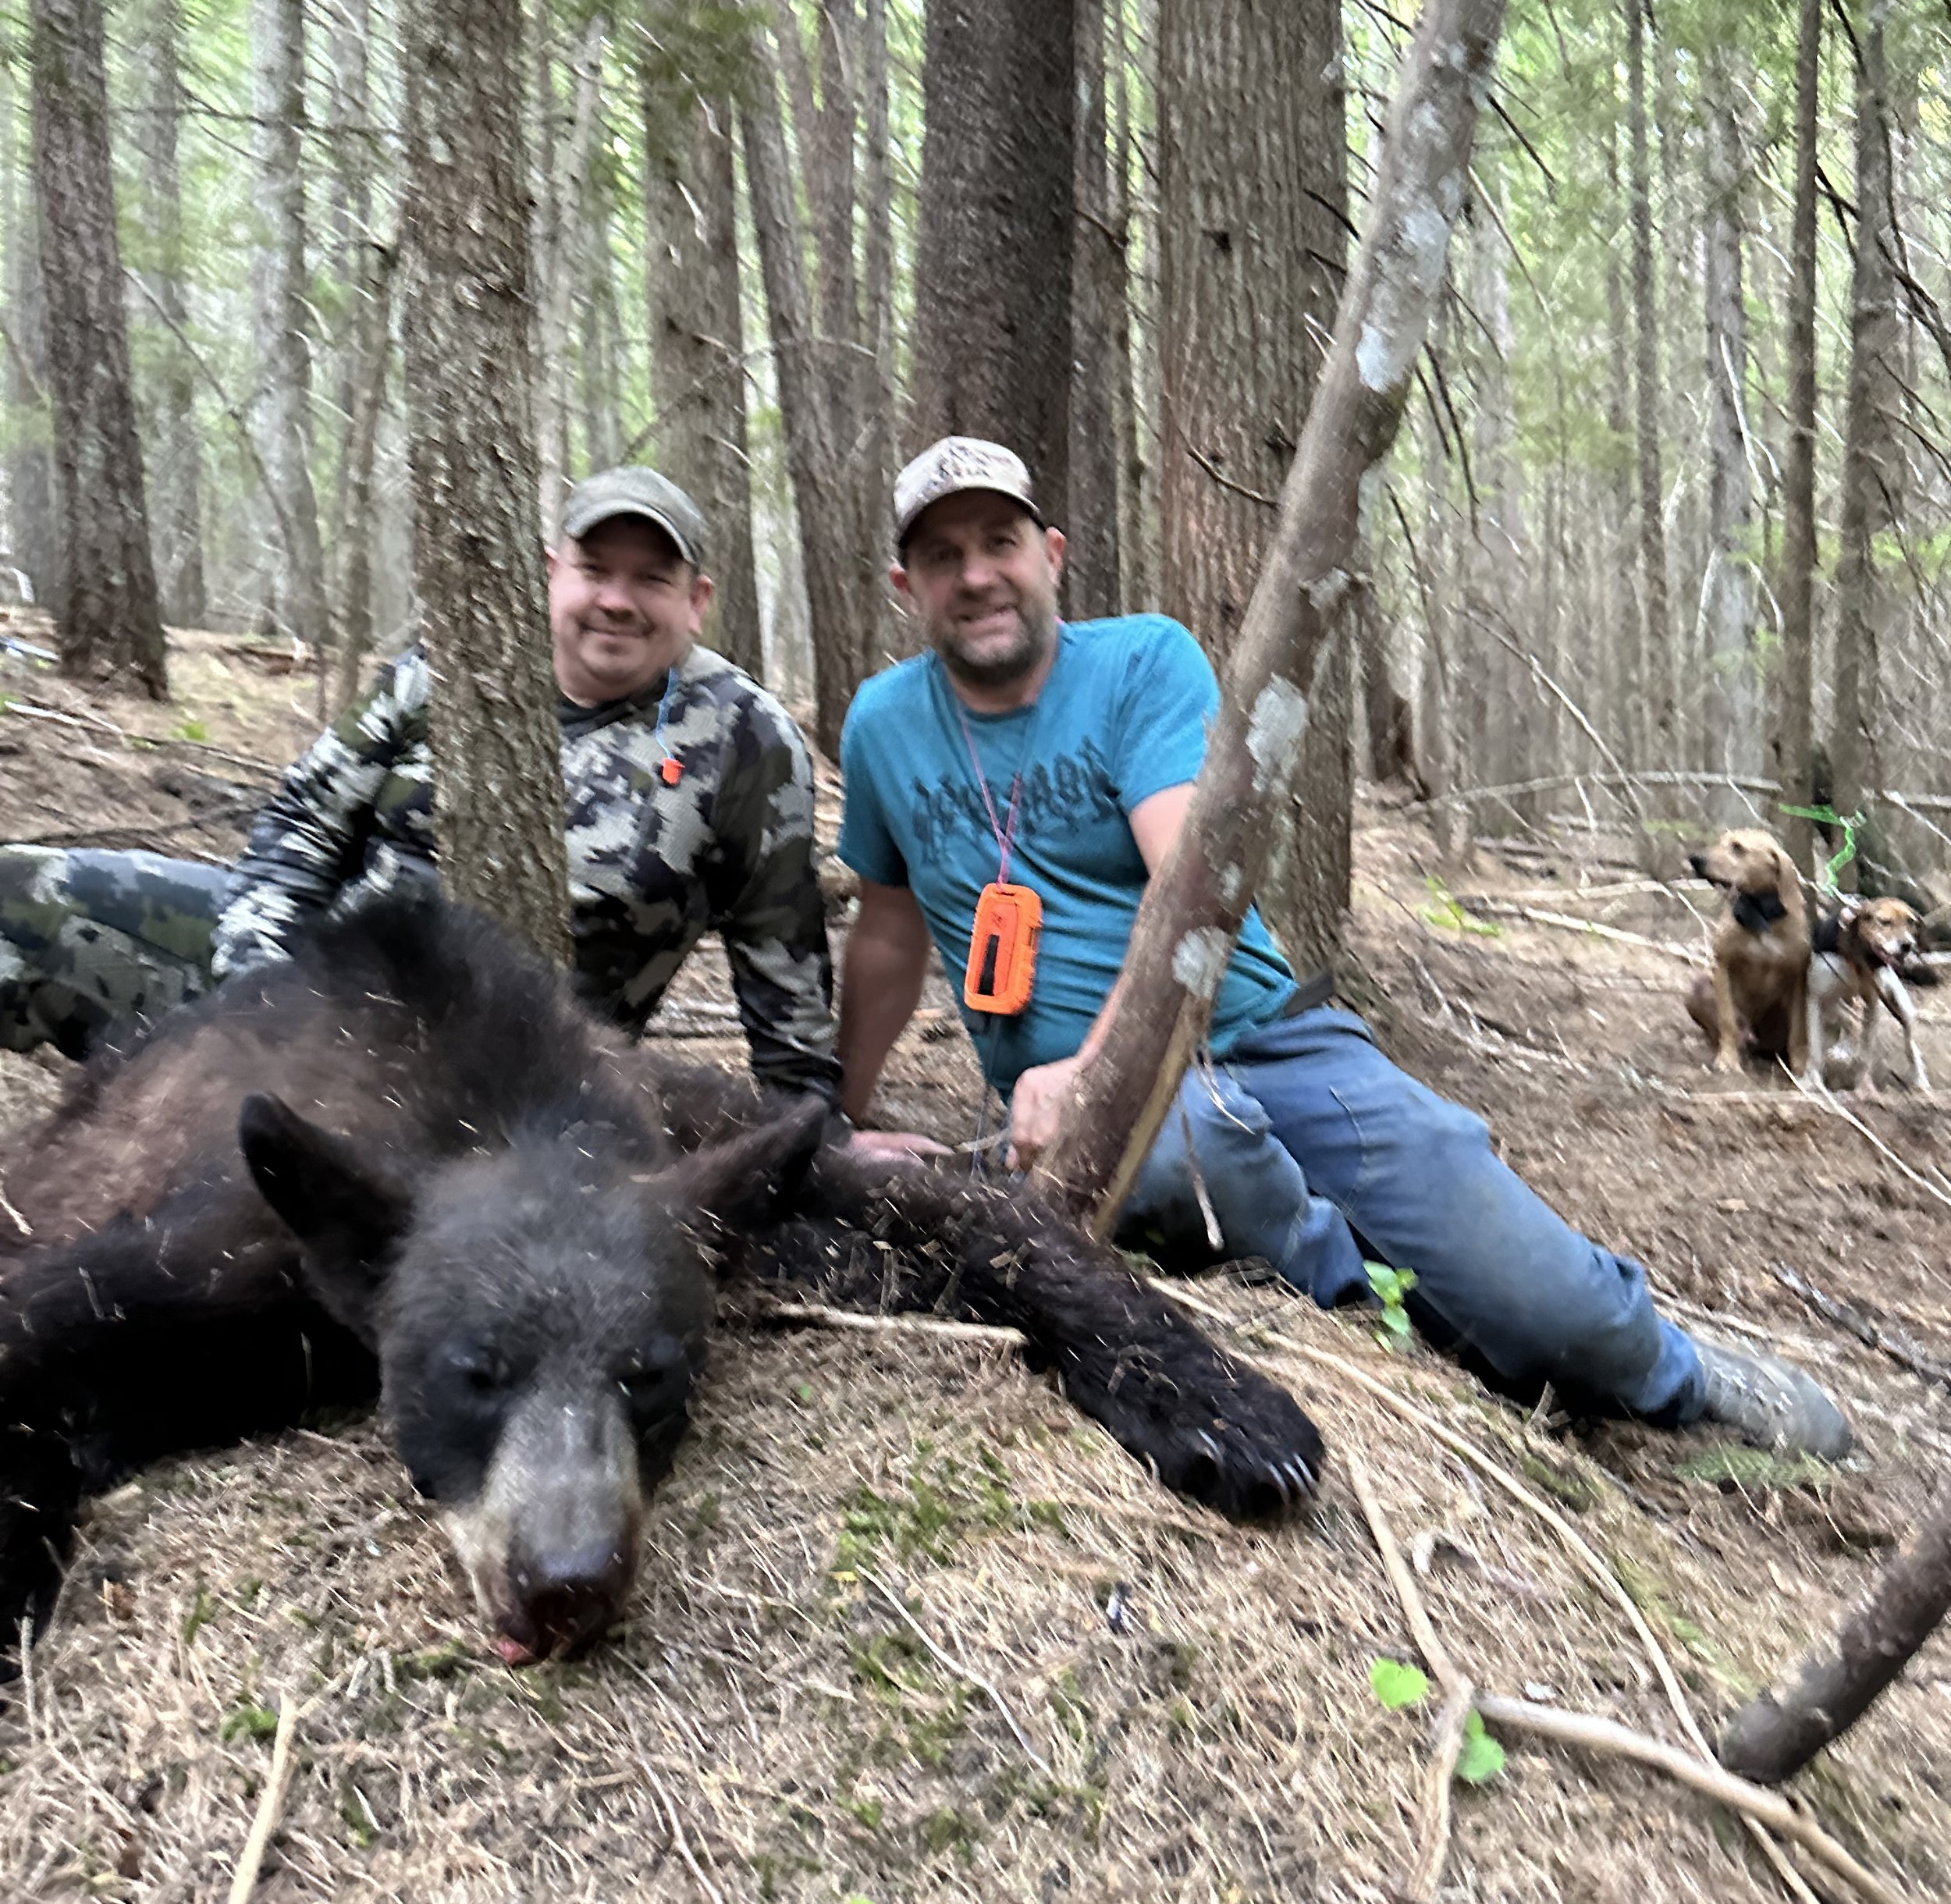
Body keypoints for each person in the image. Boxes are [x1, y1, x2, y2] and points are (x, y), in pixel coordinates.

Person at [834, 436, 1853, 1458]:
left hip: (1268, 1043)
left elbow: (1187, 901)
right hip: (1129, 1123)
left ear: (1050, 553)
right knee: (1187, 1156)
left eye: (999, 541)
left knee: (1549, 1298)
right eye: (942, 555)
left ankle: (1665, 1370)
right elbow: (886, 933)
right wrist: (837, 1113)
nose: (976, 575)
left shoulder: (1140, 662)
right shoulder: (884, 726)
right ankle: (1386, 1307)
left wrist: (1091, 1077)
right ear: (904, 585)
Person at [0, 466, 840, 1103]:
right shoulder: (457, 662)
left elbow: (781, 967)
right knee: (21, 893)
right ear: (553, 571)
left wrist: (812, 1131)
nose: (616, 601)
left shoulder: (743, 740)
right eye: (595, 569)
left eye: (650, 579)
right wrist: (258, 991)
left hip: (505, 1072)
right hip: (310, 982)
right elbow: (306, 824)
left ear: (696, 601)